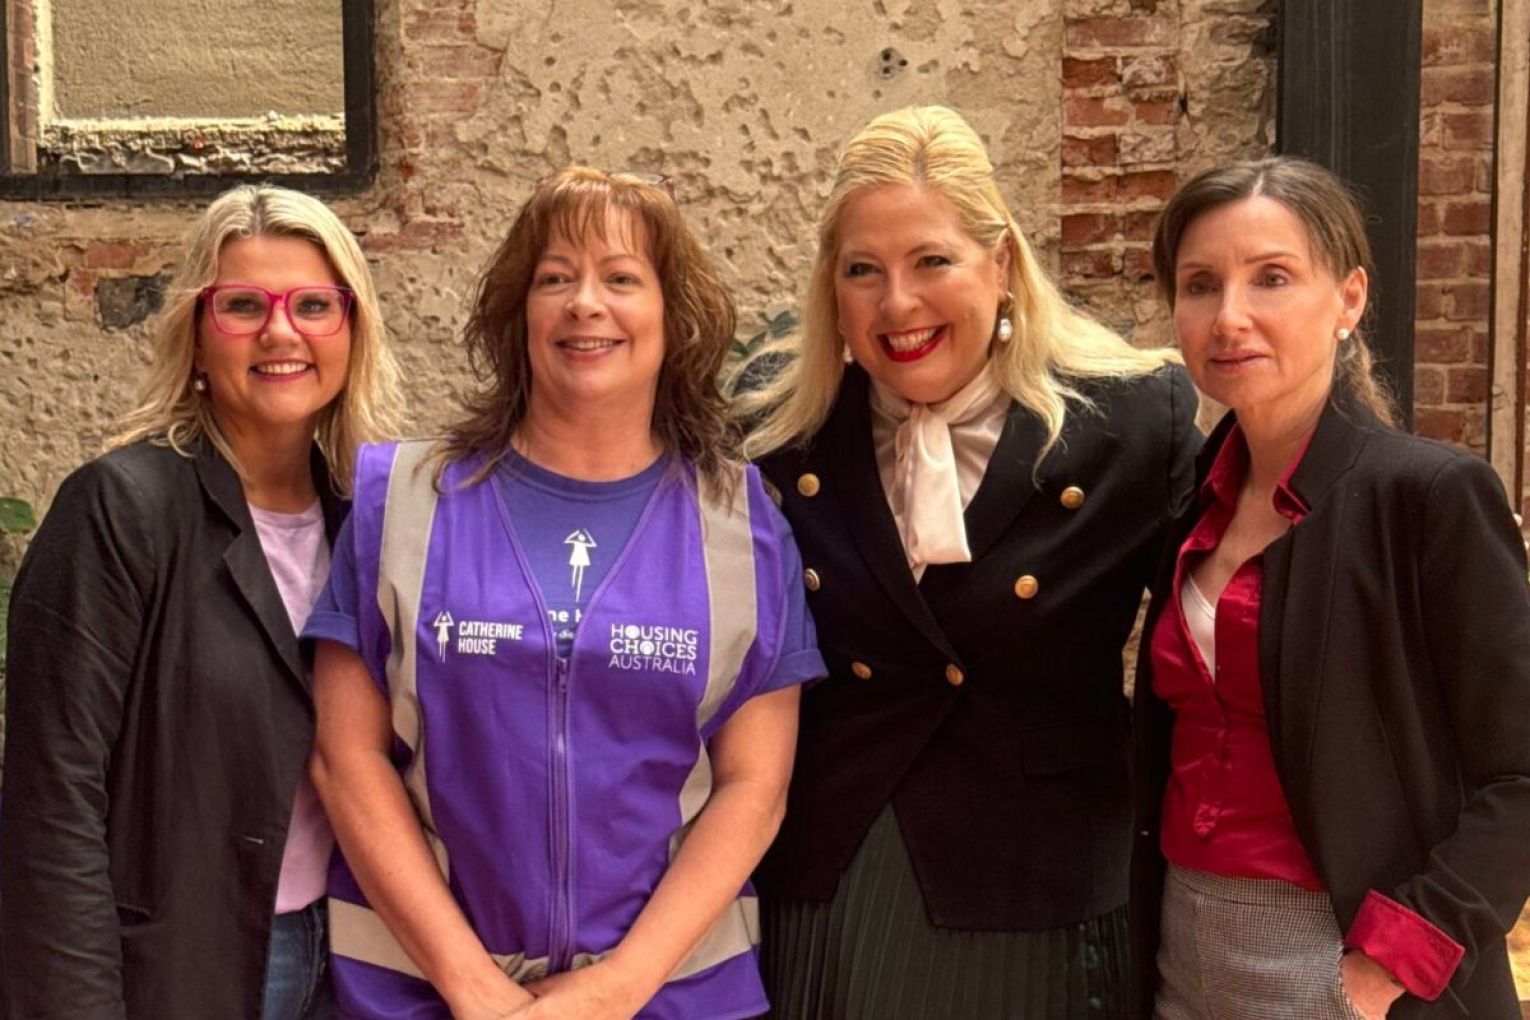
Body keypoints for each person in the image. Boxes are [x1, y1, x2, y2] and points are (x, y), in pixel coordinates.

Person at [304, 168, 824, 1020]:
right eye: (555, 279)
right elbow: (345, 759)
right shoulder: (399, 499)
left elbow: (753, 790)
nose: (586, 303)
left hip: (666, 1000)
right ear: (520, 315)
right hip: (422, 997)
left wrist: (613, 992)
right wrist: (474, 991)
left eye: (622, 278)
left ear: (673, 317)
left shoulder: (744, 523)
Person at [738, 105, 1200, 1019]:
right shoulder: (778, 428)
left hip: (1041, 880)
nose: (896, 304)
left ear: (1002, 265)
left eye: (931, 262)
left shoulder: (1133, 421)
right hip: (836, 870)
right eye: (861, 271)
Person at [1130, 155, 1530, 1020]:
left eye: (1271, 278)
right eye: (1201, 285)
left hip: (1343, 955)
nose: (1229, 317)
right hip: (1181, 940)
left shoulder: (1428, 496)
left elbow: (1520, 775)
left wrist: (1381, 971)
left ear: (1348, 300)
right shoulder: (1192, 501)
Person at [1, 184, 403, 1019]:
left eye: (315, 305)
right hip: (188, 965)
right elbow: (53, 801)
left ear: (352, 331)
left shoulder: (369, 521)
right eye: (244, 305)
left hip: (358, 962)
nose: (281, 332)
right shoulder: (121, 509)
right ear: (195, 332)